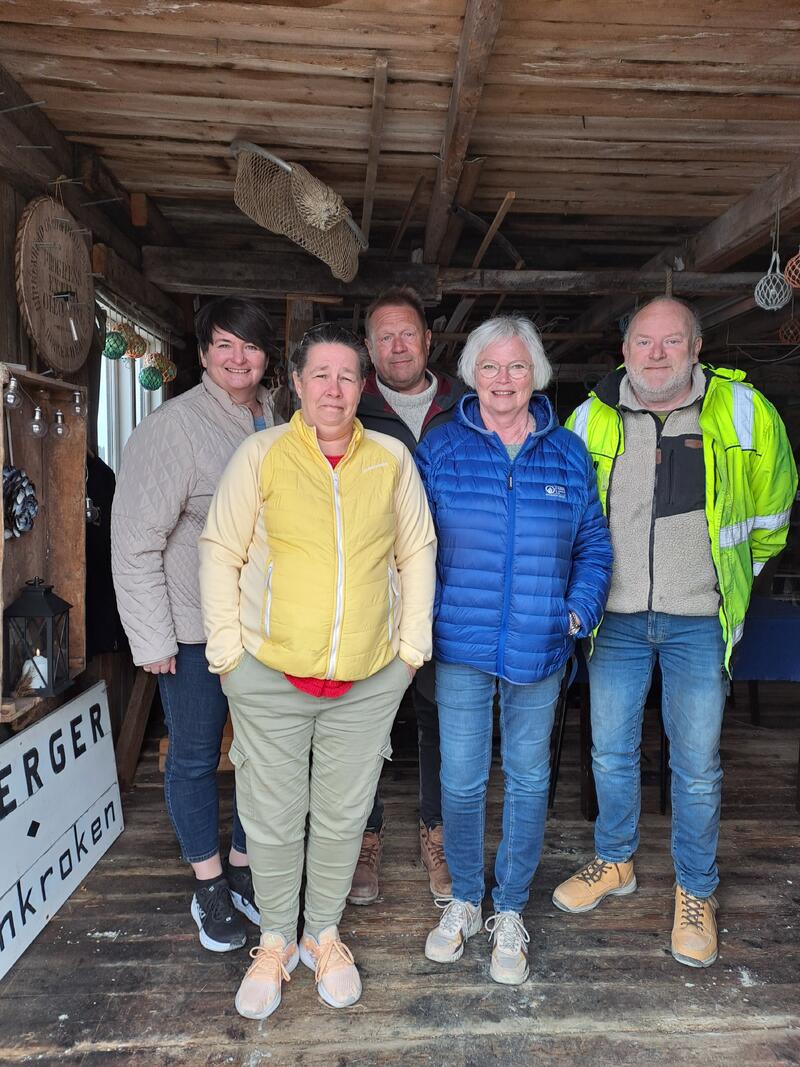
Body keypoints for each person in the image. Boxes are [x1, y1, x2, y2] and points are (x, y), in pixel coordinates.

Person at [198, 323, 436, 1020]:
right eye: (320, 375)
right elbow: (219, 550)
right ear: (295, 384)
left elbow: (416, 554)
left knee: (340, 816)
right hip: (268, 673)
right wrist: (228, 658)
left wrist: (408, 653)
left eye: (347, 376)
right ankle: (273, 940)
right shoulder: (261, 453)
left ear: (362, 388)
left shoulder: (390, 458)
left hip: (366, 679)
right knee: (271, 817)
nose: (334, 388)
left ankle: (322, 933)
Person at [553, 296, 798, 968]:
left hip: (698, 619)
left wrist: (733, 577)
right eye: (642, 341)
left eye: (671, 342)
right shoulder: (589, 417)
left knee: (695, 769)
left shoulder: (743, 412)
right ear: (623, 348)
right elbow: (570, 516)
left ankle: (697, 888)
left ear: (696, 348)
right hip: (619, 618)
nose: (655, 354)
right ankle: (615, 859)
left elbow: (774, 509)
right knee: (609, 753)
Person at [416, 314, 613, 985]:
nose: (504, 380)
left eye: (517, 367)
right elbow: (409, 546)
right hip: (461, 644)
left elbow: (594, 545)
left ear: (537, 376)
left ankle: (510, 908)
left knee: (529, 780)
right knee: (463, 779)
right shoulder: (441, 450)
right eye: (492, 367)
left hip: (540, 645)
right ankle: (466, 899)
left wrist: (579, 610)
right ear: (473, 374)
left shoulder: (567, 454)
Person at [111, 297, 276, 953]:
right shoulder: (174, 426)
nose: (239, 359)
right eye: (224, 345)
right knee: (197, 754)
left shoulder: (273, 417)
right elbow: (133, 541)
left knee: (262, 756)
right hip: (192, 626)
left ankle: (241, 863)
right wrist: (150, 638)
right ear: (204, 353)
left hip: (263, 627)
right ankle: (207, 879)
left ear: (268, 357)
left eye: (252, 347)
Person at [347, 286, 467, 905]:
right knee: (366, 719)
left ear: (428, 341)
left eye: (408, 334)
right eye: (384, 336)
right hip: (368, 590)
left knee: (438, 717)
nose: (398, 346)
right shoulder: (348, 405)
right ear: (369, 347)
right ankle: (365, 838)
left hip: (451, 591)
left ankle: (435, 833)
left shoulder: (465, 405)